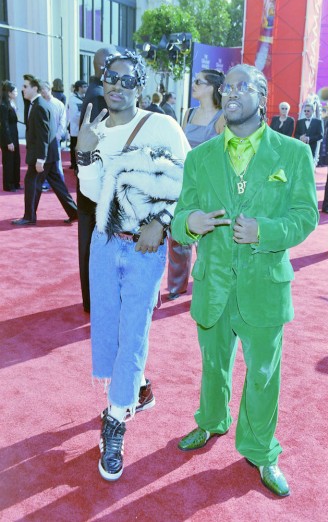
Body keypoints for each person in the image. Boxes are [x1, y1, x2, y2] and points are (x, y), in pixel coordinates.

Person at [171, 63, 318, 497]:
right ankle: (211, 421)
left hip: (264, 285)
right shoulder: (199, 158)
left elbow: (306, 216)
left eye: (242, 86)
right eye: (226, 86)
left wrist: (266, 233)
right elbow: (179, 218)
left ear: (262, 96)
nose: (231, 92)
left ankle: (261, 450)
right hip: (213, 283)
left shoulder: (292, 154)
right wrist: (190, 222)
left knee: (263, 373)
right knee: (212, 365)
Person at [76, 50, 190, 482]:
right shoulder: (96, 130)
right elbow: (90, 192)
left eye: (127, 80)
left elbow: (186, 177)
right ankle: (137, 387)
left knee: (134, 330)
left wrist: (161, 223)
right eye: (111, 78)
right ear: (102, 80)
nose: (117, 86)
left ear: (140, 88)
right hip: (104, 244)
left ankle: (116, 419)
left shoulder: (161, 126)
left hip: (144, 247)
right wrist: (84, 153)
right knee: (106, 327)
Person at [167, 69, 225, 300]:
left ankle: (207, 286)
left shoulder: (222, 117)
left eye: (199, 82)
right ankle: (176, 286)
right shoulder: (188, 113)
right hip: (183, 184)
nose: (194, 85)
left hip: (209, 187)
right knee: (178, 235)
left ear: (211, 87)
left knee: (207, 241)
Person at [77, 46, 117, 313]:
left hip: (89, 180)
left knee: (89, 238)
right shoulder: (101, 97)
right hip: (97, 181)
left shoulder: (93, 92)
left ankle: (92, 299)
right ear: (104, 68)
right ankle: (96, 299)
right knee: (96, 240)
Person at [11, 74, 77, 226]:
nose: (23, 89)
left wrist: (41, 158)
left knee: (31, 182)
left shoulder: (40, 106)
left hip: (43, 155)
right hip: (49, 153)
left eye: (26, 86)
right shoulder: (38, 104)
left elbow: (43, 135)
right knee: (57, 184)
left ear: (35, 88)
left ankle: (29, 216)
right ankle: (74, 212)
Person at [40, 80, 67, 178]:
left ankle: (60, 181)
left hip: (55, 138)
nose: (42, 92)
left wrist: (58, 135)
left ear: (49, 89)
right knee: (43, 161)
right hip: (43, 138)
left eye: (43, 90)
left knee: (57, 162)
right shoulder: (39, 103)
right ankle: (45, 182)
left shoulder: (58, 104)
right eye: (40, 90)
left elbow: (62, 122)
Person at [0, 80, 21, 192]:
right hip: (8, 138)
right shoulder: (3, 105)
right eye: (15, 91)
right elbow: (4, 125)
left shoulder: (12, 103)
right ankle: (8, 185)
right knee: (8, 162)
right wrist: (9, 141)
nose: (17, 92)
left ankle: (16, 183)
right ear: (9, 92)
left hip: (15, 135)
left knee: (16, 160)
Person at [68, 80, 88, 169]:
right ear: (79, 88)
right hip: (76, 127)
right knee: (74, 146)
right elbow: (74, 115)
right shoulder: (73, 99)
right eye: (84, 86)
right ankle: (74, 163)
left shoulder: (86, 97)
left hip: (84, 127)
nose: (86, 88)